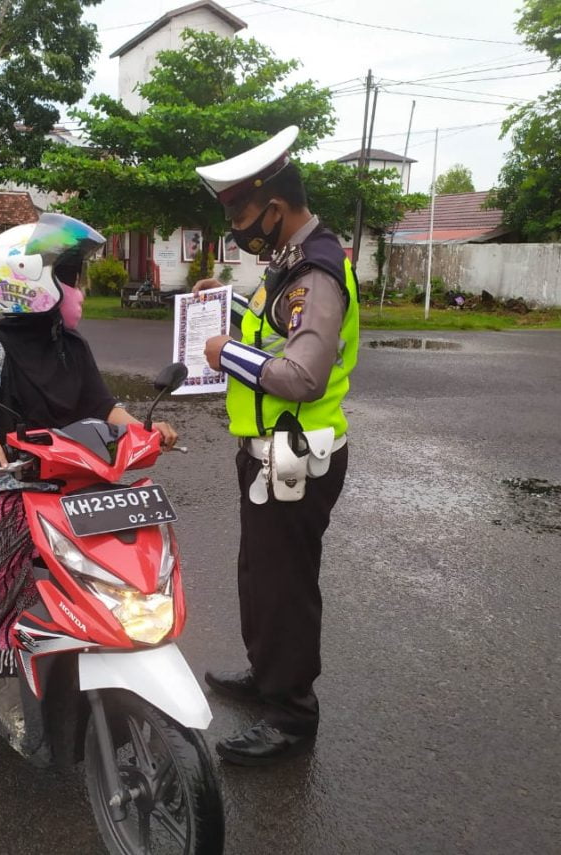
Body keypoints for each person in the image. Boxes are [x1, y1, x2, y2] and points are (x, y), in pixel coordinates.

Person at [0, 213, 177, 790]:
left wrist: (144, 429)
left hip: (72, 484)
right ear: (34, 281)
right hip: (6, 487)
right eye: (72, 275)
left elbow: (103, 406)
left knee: (119, 575)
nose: (80, 288)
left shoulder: (70, 343)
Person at [192, 125, 359, 765]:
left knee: (285, 586)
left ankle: (291, 715)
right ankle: (267, 675)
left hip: (297, 456)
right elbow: (276, 331)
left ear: (276, 207)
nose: (237, 231)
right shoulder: (290, 262)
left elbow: (302, 374)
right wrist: (229, 308)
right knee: (260, 576)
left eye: (240, 217)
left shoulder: (316, 272)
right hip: (270, 452)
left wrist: (225, 352)